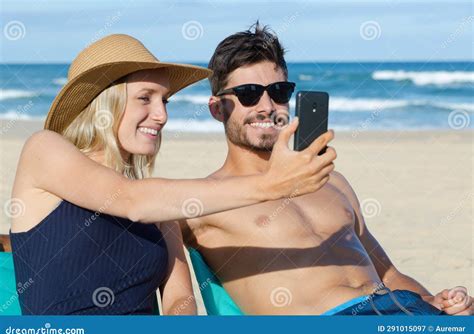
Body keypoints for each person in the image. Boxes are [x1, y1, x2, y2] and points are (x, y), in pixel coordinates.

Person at [8, 34, 336, 315]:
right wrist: (271, 184)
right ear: (103, 103)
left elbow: (180, 298)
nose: (162, 115)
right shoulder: (44, 150)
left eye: (164, 100)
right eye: (145, 99)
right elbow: (129, 201)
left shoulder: (159, 205)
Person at [179, 23, 473, 315]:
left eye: (279, 91)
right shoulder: (205, 202)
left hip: (400, 311)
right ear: (217, 109)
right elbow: (136, 213)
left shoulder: (331, 181)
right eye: (248, 94)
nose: (267, 105)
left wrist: (439, 302)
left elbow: (389, 276)